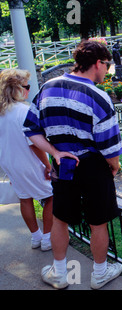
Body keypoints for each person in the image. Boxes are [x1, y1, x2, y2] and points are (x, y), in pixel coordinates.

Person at [23, 40, 122, 290]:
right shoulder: (98, 97)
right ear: (98, 63)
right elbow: (109, 146)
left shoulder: (47, 88)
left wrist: (56, 153)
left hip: (64, 166)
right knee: (97, 222)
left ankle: (59, 273)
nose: (107, 71)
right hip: (93, 166)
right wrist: (114, 166)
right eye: (107, 65)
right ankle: (99, 274)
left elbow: (31, 129)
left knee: (60, 219)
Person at [0, 69, 54, 251]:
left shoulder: (2, 112)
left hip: (9, 162)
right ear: (16, 89)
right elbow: (34, 144)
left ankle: (35, 236)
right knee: (50, 196)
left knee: (25, 198)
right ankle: (47, 238)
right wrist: (47, 165)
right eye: (26, 86)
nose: (28, 90)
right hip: (28, 162)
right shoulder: (24, 111)